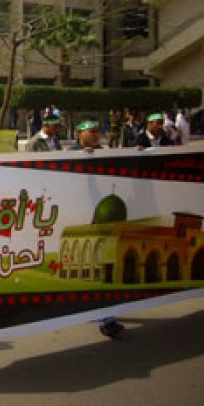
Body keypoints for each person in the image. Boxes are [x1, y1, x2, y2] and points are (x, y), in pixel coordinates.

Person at [68, 118, 126, 339]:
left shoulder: (104, 154)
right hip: (76, 219)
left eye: (97, 131)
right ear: (79, 134)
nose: (95, 135)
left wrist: (141, 154)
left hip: (101, 221)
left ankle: (106, 319)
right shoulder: (68, 155)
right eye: (90, 131)